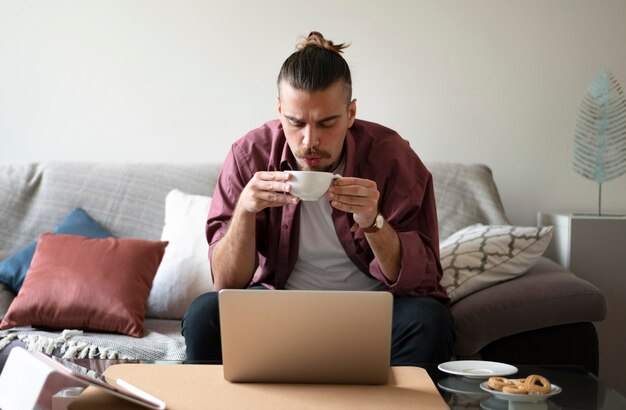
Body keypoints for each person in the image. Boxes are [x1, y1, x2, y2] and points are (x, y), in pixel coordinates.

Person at [182, 31, 455, 365]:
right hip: (281, 308)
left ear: (351, 113)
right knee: (203, 315)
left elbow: (423, 279)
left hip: (377, 311)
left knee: (430, 322)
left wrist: (374, 221)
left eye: (327, 123)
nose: (310, 141)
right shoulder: (249, 155)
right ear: (280, 110)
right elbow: (226, 283)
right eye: (296, 123)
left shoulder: (392, 157)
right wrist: (245, 211)